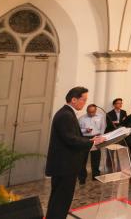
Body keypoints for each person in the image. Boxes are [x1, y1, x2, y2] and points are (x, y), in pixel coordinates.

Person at [45, 87, 105, 219]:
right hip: (64, 166)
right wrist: (91, 142)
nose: (85, 103)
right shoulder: (66, 115)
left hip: (65, 165)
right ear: (73, 99)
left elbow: (73, 136)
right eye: (84, 100)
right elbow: (70, 139)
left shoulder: (67, 113)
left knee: (59, 199)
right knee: (61, 200)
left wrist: (91, 140)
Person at [78, 104, 105, 184]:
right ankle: (82, 178)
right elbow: (78, 130)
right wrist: (85, 130)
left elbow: (103, 127)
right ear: (87, 111)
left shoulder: (101, 117)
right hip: (85, 138)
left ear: (95, 110)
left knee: (96, 158)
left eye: (93, 112)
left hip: (96, 138)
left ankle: (95, 176)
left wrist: (101, 137)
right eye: (89, 112)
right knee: (83, 159)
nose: (91, 114)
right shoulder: (81, 118)